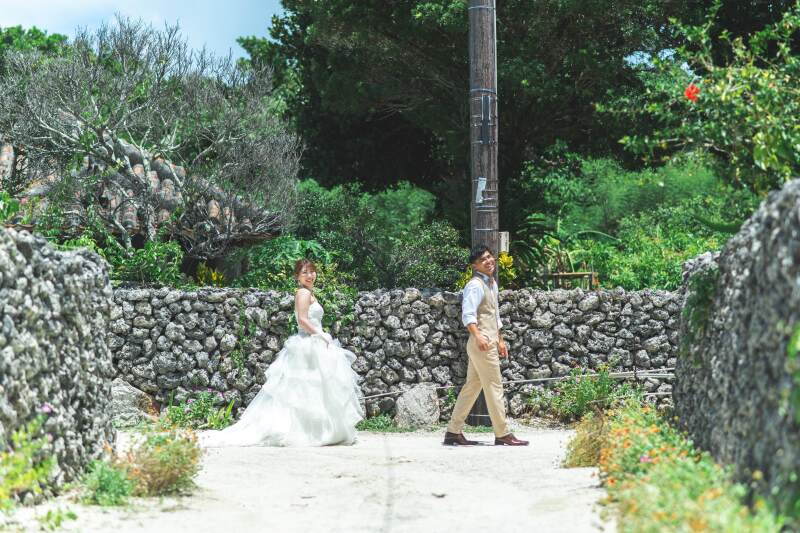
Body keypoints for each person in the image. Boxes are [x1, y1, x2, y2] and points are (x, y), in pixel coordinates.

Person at [202, 259, 364, 447]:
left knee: (314, 390)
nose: (310, 276)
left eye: (312, 272)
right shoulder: (303, 293)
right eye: (305, 272)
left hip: (314, 343)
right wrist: (321, 334)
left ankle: (316, 430)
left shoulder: (309, 292)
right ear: (297, 277)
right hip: (307, 344)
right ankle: (310, 432)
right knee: (304, 390)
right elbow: (302, 320)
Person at [443, 246, 529, 446]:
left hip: (489, 340)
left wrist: (500, 339)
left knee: (472, 387)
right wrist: (479, 337)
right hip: (481, 343)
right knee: (494, 386)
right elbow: (468, 315)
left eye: (490, 257)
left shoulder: (492, 283)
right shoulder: (475, 285)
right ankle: (502, 433)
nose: (489, 261)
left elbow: (494, 315)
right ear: (475, 266)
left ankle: (452, 432)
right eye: (483, 260)